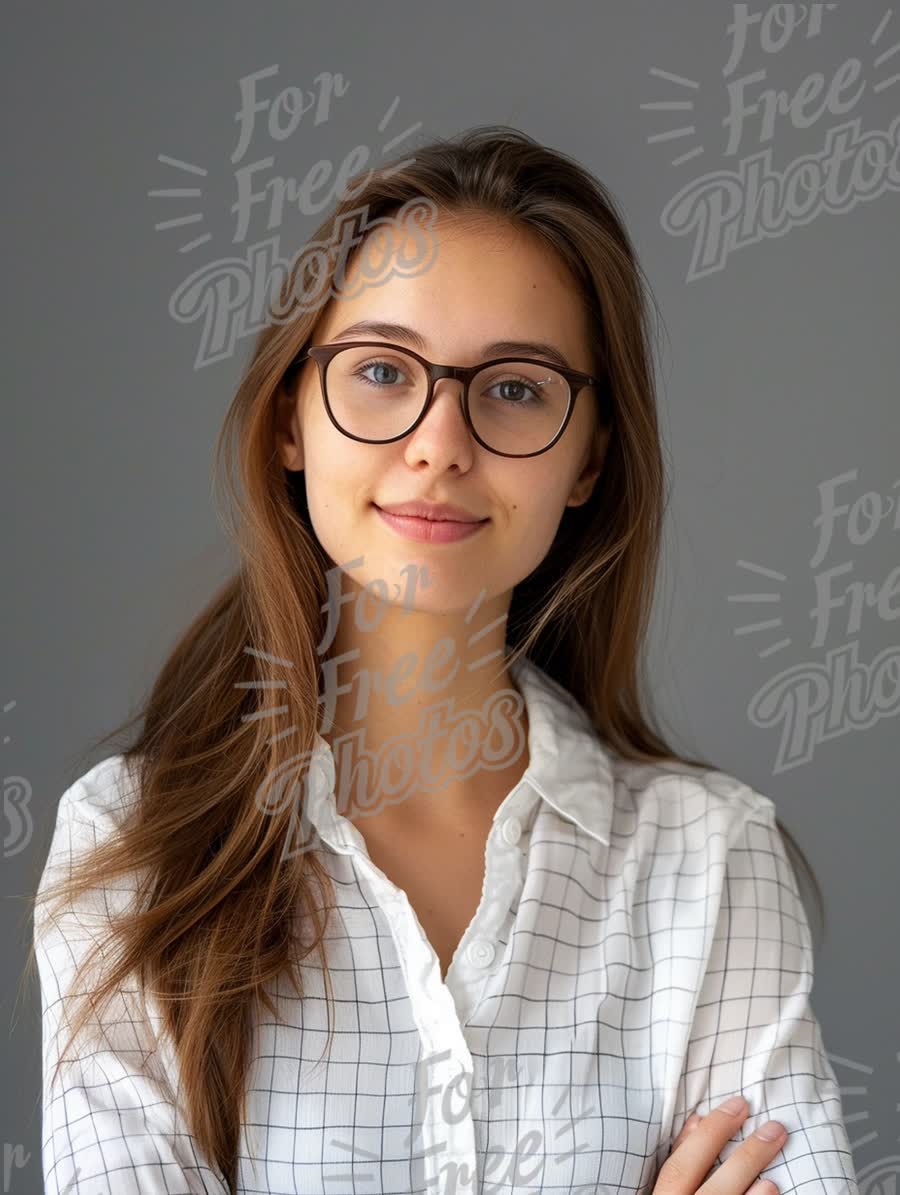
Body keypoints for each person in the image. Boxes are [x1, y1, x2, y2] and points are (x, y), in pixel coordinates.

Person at [29, 126, 859, 1195]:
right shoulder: (131, 849)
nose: (439, 442)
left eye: (515, 388)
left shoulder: (710, 862)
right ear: (292, 417)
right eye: (381, 371)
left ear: (590, 457)